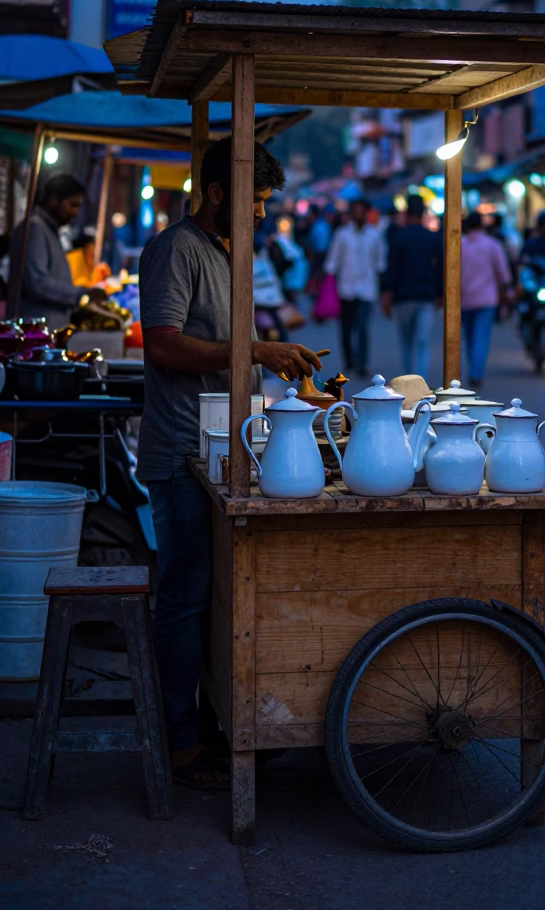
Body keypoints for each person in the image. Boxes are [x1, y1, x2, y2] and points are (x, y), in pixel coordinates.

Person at [137, 137, 321, 790]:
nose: (264, 214)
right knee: (185, 598)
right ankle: (178, 741)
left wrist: (278, 362)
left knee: (212, 595)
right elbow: (162, 346)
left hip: (217, 447)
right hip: (182, 451)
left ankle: (211, 725)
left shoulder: (227, 252)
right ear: (216, 193)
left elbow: (233, 344)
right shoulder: (175, 249)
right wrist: (254, 351)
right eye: (256, 201)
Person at [8, 173, 105, 328]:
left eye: (78, 206)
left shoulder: (49, 230)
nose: (76, 212)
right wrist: (80, 293)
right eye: (72, 205)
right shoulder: (35, 228)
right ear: (53, 200)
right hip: (33, 333)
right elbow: (38, 283)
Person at [381, 194, 442, 380]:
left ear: (407, 213)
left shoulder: (398, 237)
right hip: (426, 296)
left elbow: (390, 268)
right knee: (422, 342)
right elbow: (440, 268)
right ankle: (420, 379)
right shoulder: (432, 238)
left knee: (406, 341)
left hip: (403, 296)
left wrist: (387, 294)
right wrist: (440, 293)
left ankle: (408, 380)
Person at [324, 198, 386, 375]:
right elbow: (332, 261)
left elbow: (380, 263)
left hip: (367, 288)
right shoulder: (342, 234)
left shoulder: (374, 235)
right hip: (346, 288)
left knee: (363, 327)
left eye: (362, 211)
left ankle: (363, 363)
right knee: (346, 328)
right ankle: (349, 360)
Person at [461, 211, 513, 385]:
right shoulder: (492, 245)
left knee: (469, 337)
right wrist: (506, 289)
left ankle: (473, 368)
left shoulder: (459, 245)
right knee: (481, 336)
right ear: (482, 225)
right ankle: (477, 373)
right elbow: (503, 272)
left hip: (465, 299)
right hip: (486, 299)